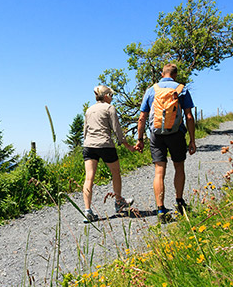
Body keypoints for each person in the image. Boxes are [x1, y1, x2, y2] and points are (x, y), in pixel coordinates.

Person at [135, 63, 196, 222]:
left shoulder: (151, 90)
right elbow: (189, 116)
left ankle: (161, 210)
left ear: (163, 74)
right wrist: (192, 141)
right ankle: (179, 202)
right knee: (179, 167)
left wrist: (140, 139)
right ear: (175, 75)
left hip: (156, 135)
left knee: (159, 171)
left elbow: (142, 117)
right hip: (177, 134)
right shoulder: (181, 89)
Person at [82, 85, 136, 222]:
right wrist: (127, 145)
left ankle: (87, 210)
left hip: (89, 145)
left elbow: (85, 131)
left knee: (89, 178)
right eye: (111, 95)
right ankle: (118, 201)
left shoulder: (89, 110)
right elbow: (117, 130)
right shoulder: (109, 108)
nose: (112, 98)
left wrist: (88, 142)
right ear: (106, 96)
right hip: (105, 144)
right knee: (115, 172)